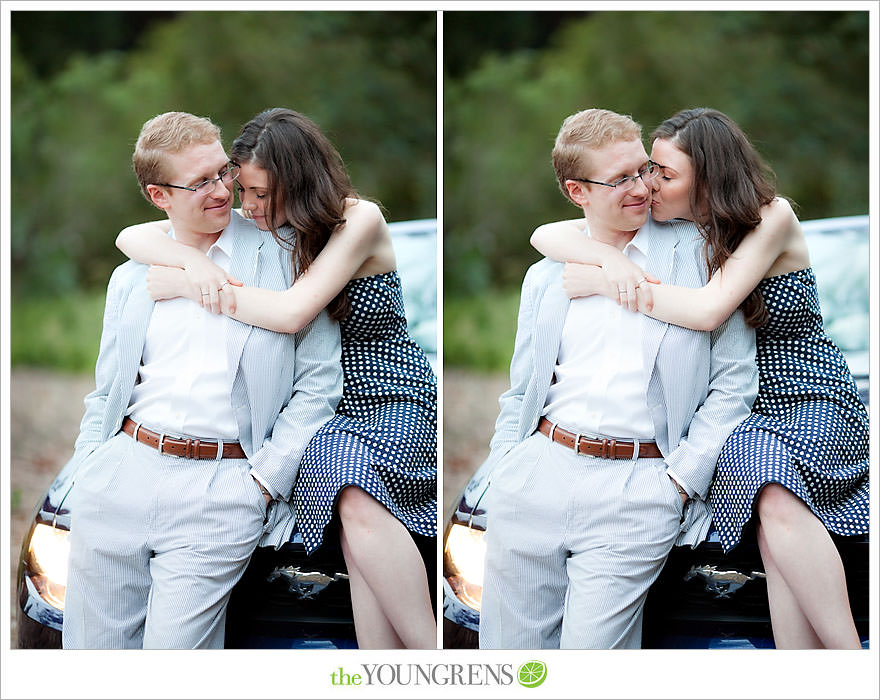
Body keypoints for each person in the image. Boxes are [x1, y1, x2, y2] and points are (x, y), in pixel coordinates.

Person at [531, 107, 868, 649]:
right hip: (737, 409)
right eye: (646, 170)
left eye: (663, 173)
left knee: (773, 489)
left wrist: (604, 281)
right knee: (765, 506)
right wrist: (608, 259)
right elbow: (546, 233)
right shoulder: (678, 229)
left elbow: (709, 310)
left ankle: (850, 660)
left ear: (707, 176)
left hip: (808, 395)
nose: (647, 184)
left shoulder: (770, 216)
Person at [115, 107, 437, 649]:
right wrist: (192, 264)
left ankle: (433, 657)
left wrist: (195, 287)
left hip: (388, 394)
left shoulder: (360, 220)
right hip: (316, 407)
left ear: (300, 181)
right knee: (355, 537)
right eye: (243, 191)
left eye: (262, 194)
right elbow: (132, 235)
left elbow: (291, 314)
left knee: (353, 493)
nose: (250, 207)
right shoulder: (273, 233)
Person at [477, 108, 757, 649]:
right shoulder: (546, 277)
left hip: (640, 486)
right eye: (621, 178)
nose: (642, 187)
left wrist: (677, 484)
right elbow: (522, 387)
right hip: (537, 474)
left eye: (644, 169)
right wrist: (503, 467)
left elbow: (733, 385)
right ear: (577, 191)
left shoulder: (703, 257)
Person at [62, 112, 342, 649]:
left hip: (223, 486)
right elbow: (107, 388)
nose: (222, 192)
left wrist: (261, 484)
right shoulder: (132, 279)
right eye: (200, 183)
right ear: (157, 195)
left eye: (223, 172)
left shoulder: (288, 257)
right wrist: (87, 468)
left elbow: (318, 385)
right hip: (122, 474)